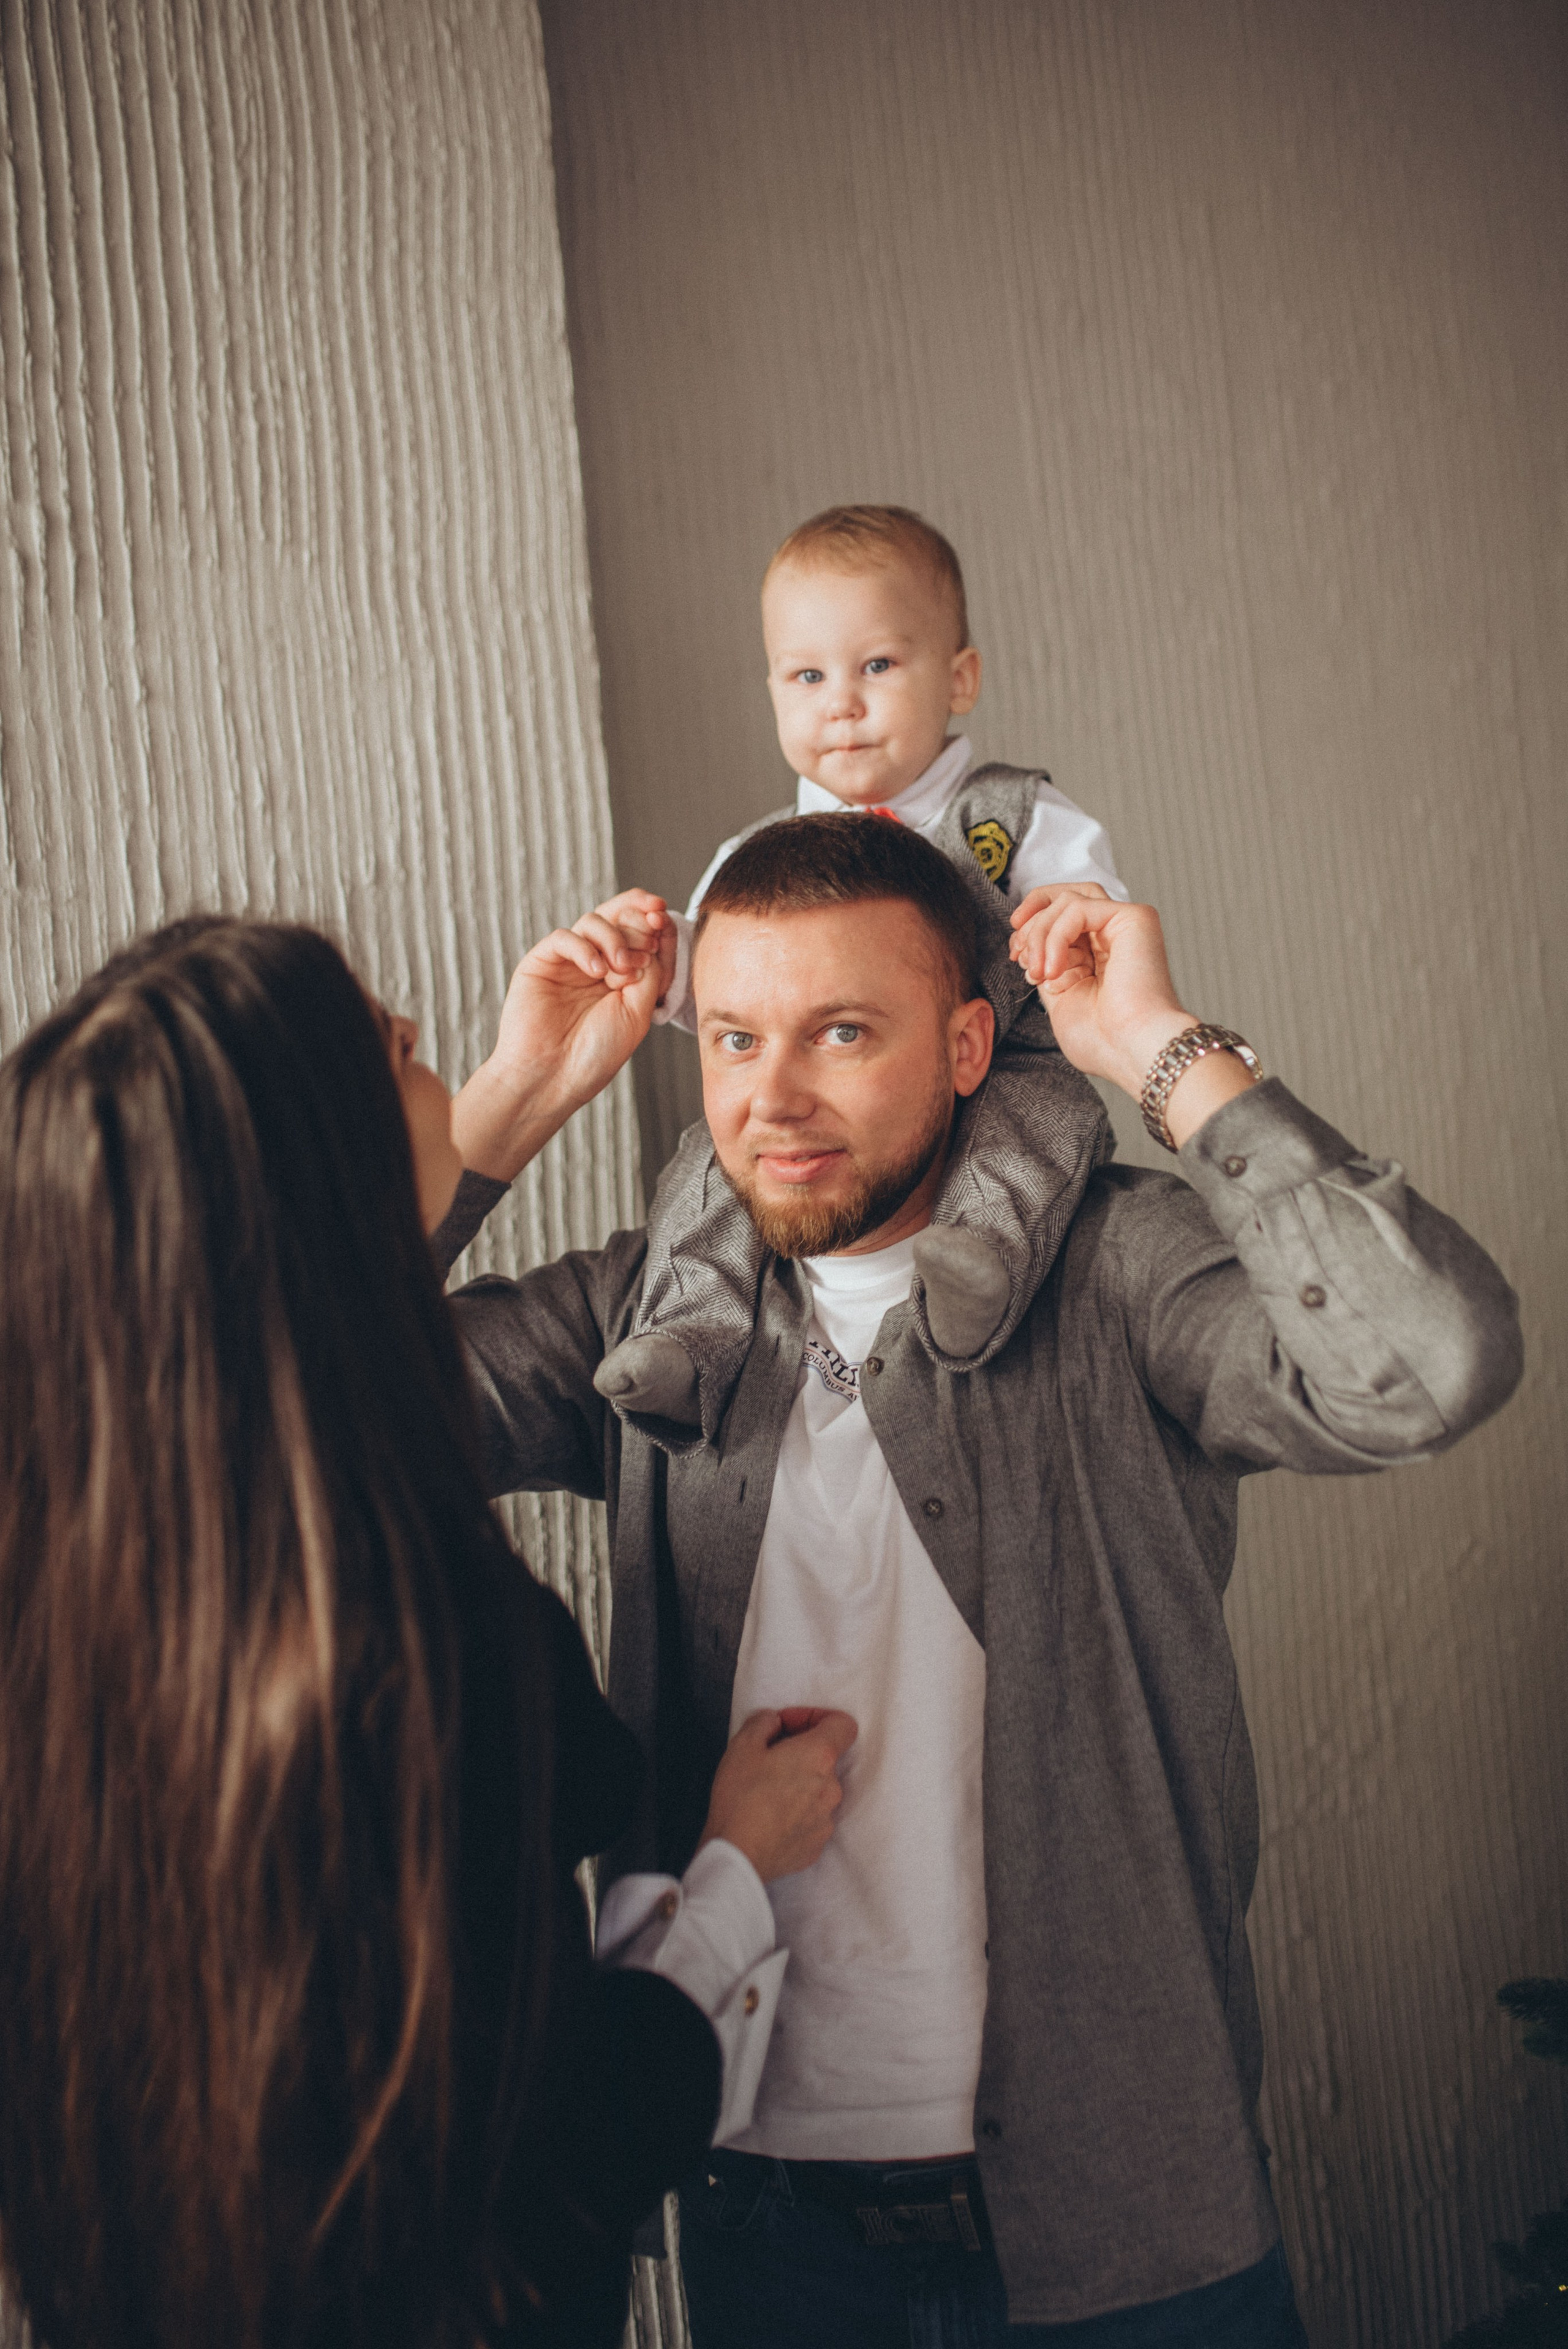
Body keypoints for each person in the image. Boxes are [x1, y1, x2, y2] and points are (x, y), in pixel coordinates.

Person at [434, 812, 1521, 2345]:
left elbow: (1426, 1362)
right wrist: (504, 1107)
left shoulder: (1112, 1272)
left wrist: (1156, 1048)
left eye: (840, 1033)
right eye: (734, 1037)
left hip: (1131, 2233)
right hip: (763, 2230)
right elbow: (280, 1416)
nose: (771, 1096)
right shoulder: (650, 1311)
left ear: (962, 1048)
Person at [0, 914, 854, 2349]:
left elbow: (283, 1352)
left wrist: (515, 1104)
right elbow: (548, 2160)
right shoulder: (403, 1649)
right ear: (315, 1175)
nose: (431, 1055)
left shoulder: (76, 1604)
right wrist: (728, 1881)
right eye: (394, 1048)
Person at [582, 503, 1129, 1427]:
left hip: (1008, 1063)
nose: (841, 702)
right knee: (708, 1172)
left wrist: (1077, 917)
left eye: (877, 666)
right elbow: (718, 994)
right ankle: (685, 1337)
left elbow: (1096, 922)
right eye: (808, 675)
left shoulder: (1014, 817)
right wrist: (656, 957)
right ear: (772, 690)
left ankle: (978, 1279)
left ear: (959, 678)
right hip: (834, 1107)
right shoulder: (757, 854)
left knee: (1037, 1136)